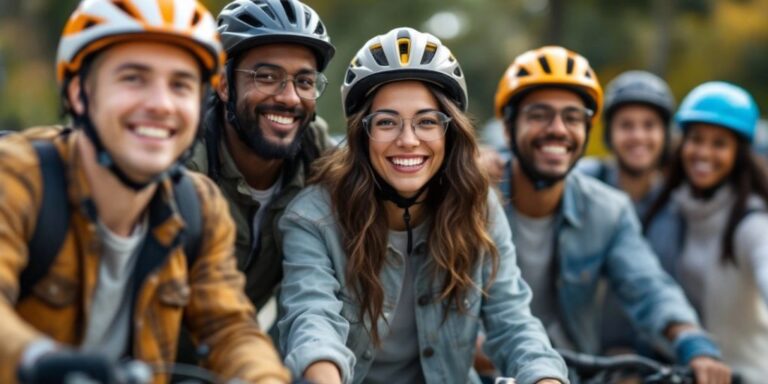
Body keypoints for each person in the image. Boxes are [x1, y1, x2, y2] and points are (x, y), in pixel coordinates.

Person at [0, 0, 289, 383]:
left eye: (180, 85)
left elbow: (230, 329)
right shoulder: (18, 176)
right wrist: (37, 359)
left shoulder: (197, 207)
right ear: (77, 93)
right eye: (133, 78)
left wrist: (265, 378)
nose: (161, 104)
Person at [278, 28, 568, 384]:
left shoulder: (480, 208)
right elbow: (311, 318)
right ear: (361, 134)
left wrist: (545, 378)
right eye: (386, 122)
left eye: (427, 121)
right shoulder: (313, 216)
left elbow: (513, 321)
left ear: (450, 132)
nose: (408, 140)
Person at [489, 45, 731, 383]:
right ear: (508, 128)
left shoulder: (608, 210)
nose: (558, 129)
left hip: (573, 373)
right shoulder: (472, 203)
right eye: (539, 114)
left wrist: (694, 343)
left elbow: (648, 285)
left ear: (587, 131)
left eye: (572, 117)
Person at [186, 0, 336, 321]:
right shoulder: (181, 157)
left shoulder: (318, 156)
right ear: (224, 85)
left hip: (244, 355)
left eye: (305, 82)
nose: (289, 97)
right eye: (267, 77)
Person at [643, 81, 768, 383]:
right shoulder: (671, 208)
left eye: (719, 144)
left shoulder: (750, 222)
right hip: (684, 372)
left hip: (747, 374)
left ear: (738, 153)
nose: (704, 153)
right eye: (696, 139)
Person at [575, 70, 681, 354]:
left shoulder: (677, 205)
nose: (638, 136)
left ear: (665, 134)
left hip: (649, 363)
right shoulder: (583, 182)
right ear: (610, 133)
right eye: (627, 125)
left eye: (649, 125)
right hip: (574, 359)